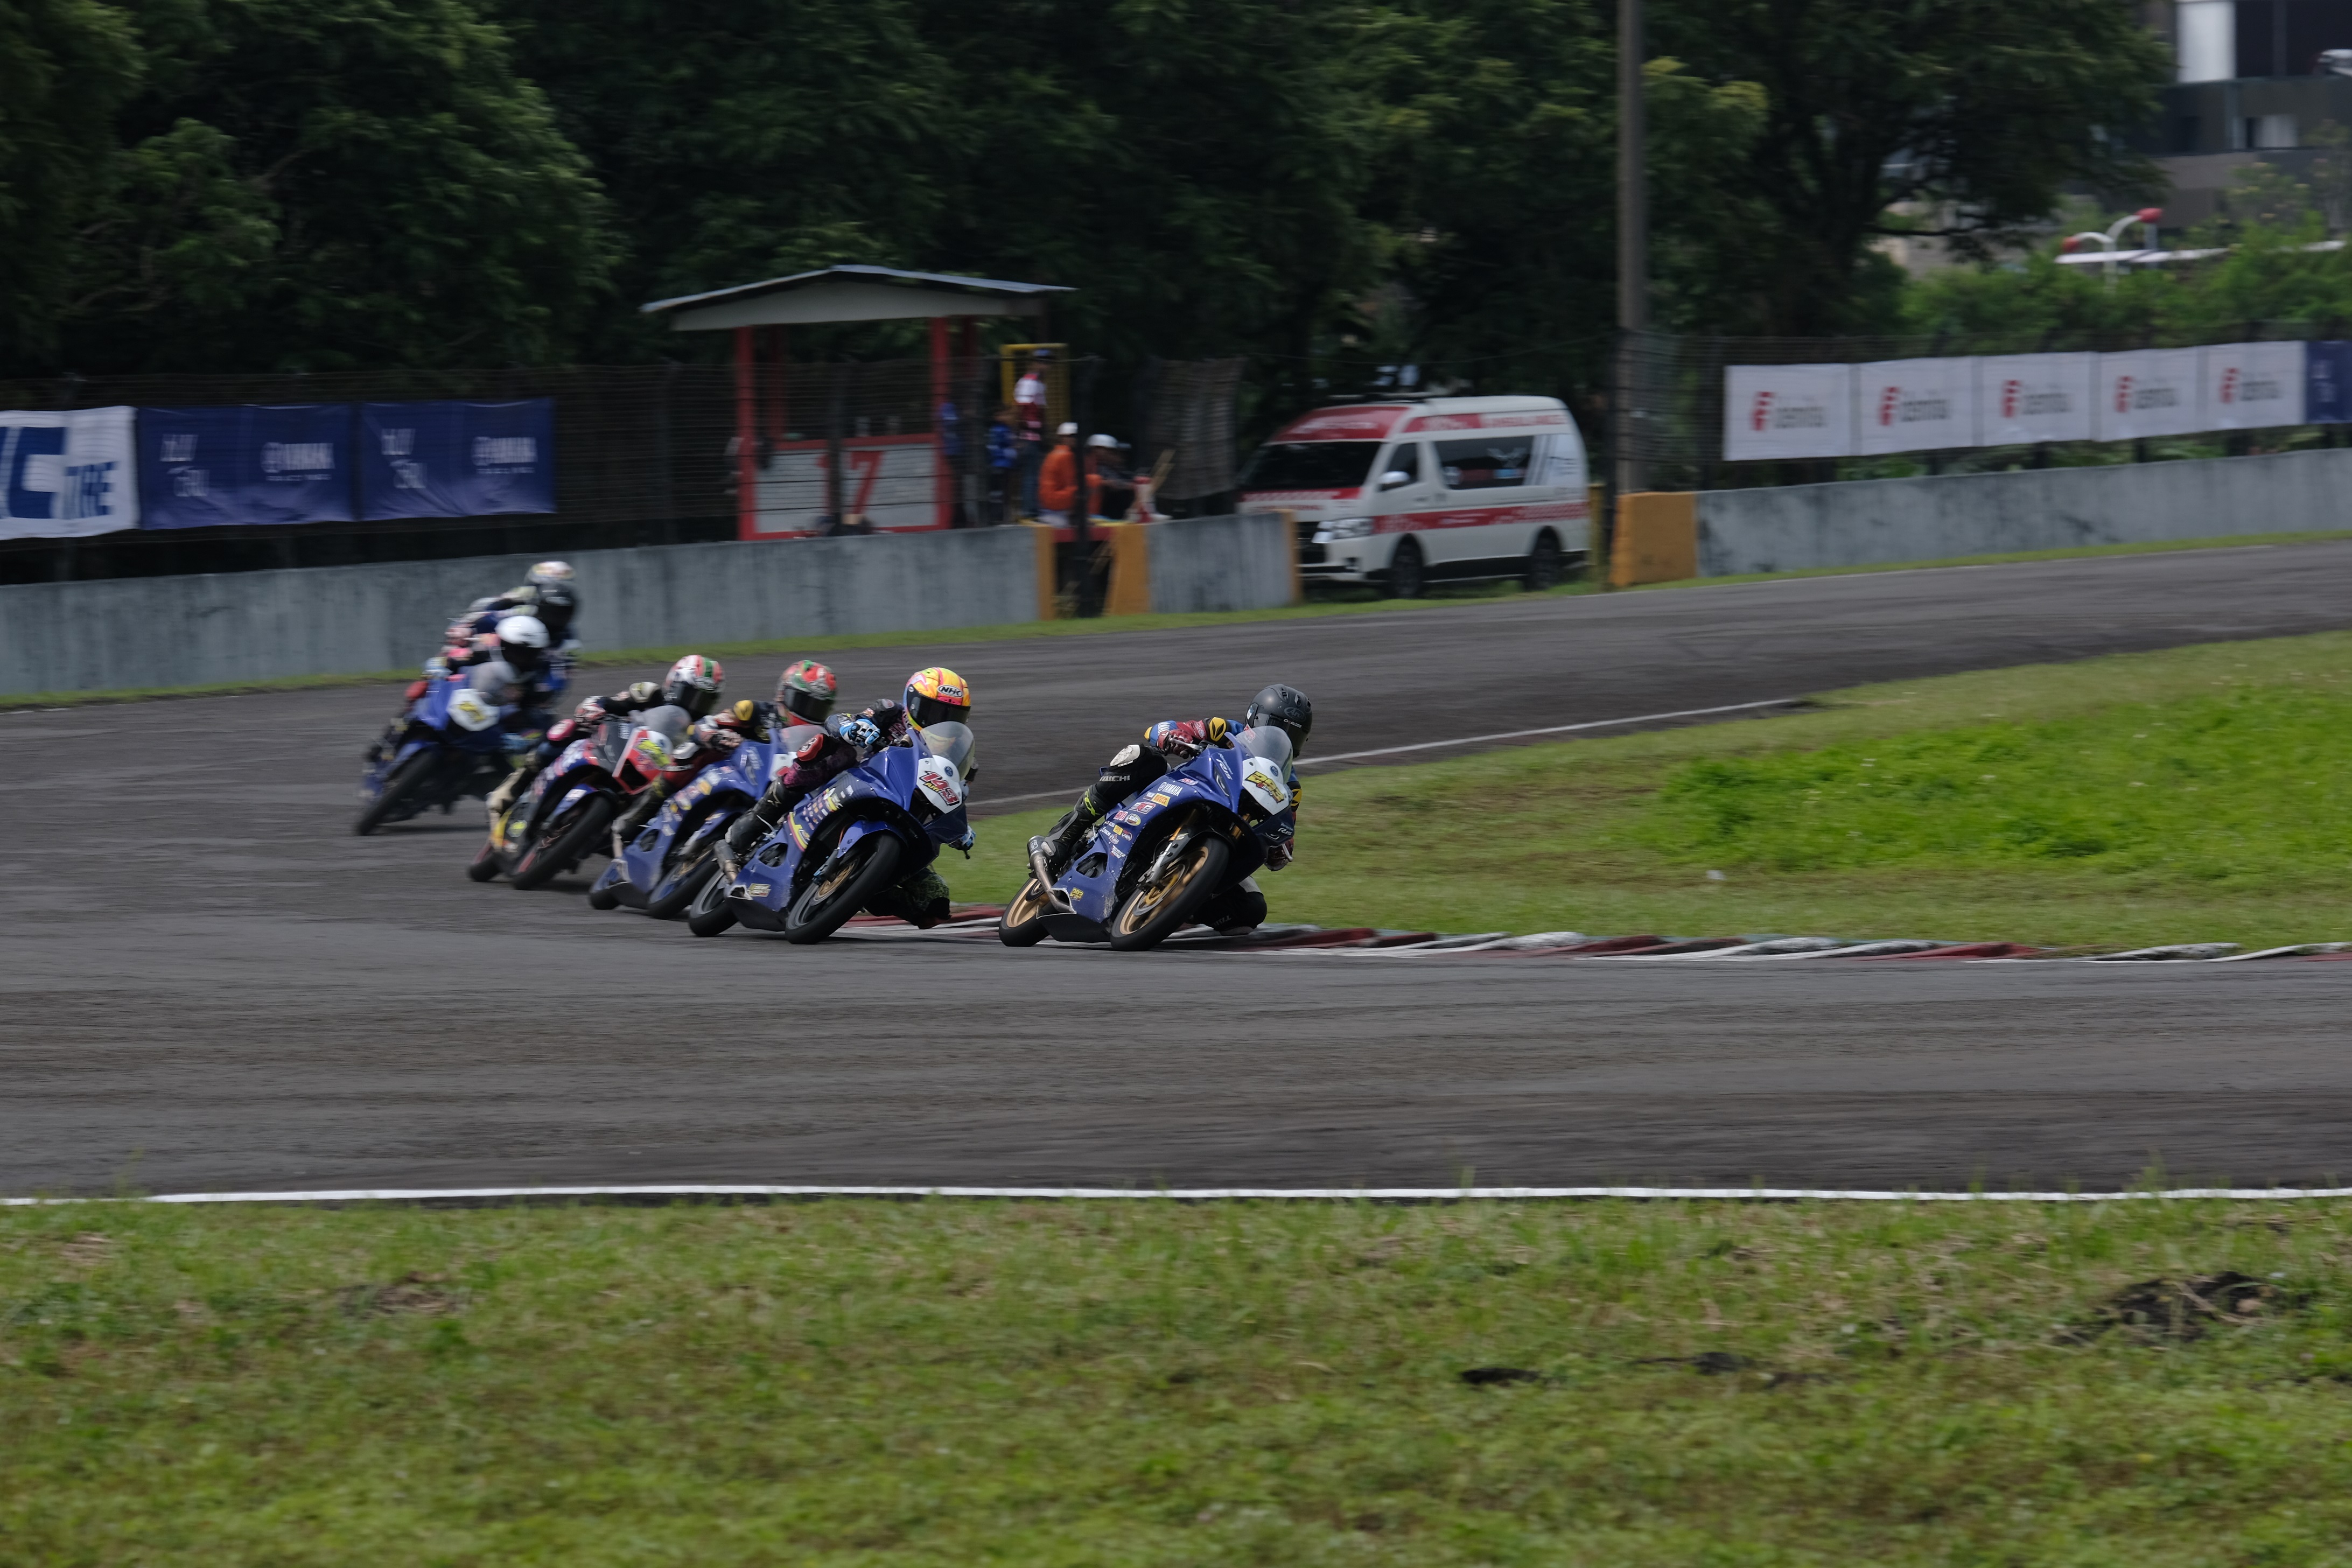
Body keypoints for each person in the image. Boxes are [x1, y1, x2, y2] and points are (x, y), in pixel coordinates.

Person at [720, 666, 976, 926]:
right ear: (912, 703)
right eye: (934, 712)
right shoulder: (890, 712)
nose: (941, 721)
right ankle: (754, 824)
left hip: (907, 822)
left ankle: (860, 891)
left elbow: (958, 791)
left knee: (935, 902)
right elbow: (840, 720)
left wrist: (959, 826)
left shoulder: (959, 751)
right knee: (830, 751)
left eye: (952, 716)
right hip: (867, 784)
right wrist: (854, 728)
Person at [1030, 683, 1313, 909]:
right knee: (1142, 757)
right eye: (1278, 726)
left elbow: (1283, 831)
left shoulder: (1289, 787)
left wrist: (1280, 847)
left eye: (1293, 734)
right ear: (1256, 718)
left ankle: (1176, 908)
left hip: (1220, 837)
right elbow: (1160, 729)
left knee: (1251, 909)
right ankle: (1066, 834)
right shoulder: (1223, 729)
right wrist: (1174, 737)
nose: (1284, 736)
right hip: (1181, 793)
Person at [486, 654, 724, 815]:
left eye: (704, 700)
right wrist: (594, 709)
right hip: (614, 746)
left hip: (651, 775)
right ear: (674, 683)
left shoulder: (700, 728)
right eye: (691, 695)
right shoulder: (650, 693)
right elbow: (609, 702)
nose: (695, 705)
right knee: (567, 728)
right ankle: (517, 784)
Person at [1014, 351, 1050, 517]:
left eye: (1048, 363)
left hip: (1037, 436)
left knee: (1035, 474)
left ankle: (1034, 508)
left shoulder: (1039, 384)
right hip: (1028, 436)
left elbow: (1041, 412)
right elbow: (1020, 410)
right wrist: (1019, 435)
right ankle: (1029, 510)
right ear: (1033, 363)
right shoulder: (1028, 382)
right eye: (1042, 362)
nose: (1046, 367)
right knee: (1030, 475)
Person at [1039, 423, 1080, 524]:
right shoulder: (1066, 455)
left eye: (1076, 436)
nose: (1075, 439)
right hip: (1057, 505)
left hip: (1047, 504)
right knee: (1087, 484)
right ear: (1062, 438)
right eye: (1071, 436)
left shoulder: (1054, 453)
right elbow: (1069, 482)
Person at [985, 406, 1019, 525]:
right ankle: (999, 518)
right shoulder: (999, 430)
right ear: (998, 417)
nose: (1008, 417)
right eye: (1005, 415)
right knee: (1001, 492)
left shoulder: (1004, 429)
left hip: (1005, 464)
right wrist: (1011, 452)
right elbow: (996, 448)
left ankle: (1004, 517)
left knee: (1005, 492)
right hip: (1001, 464)